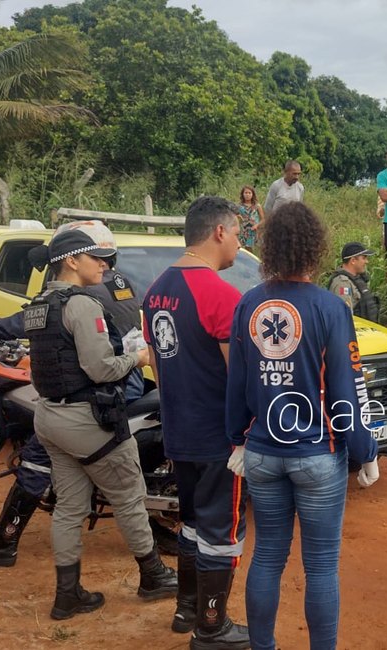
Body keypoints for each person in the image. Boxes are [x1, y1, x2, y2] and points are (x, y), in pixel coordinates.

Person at [226, 202, 380, 650]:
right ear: (315, 248)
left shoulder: (248, 304)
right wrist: (365, 450)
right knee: (321, 566)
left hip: (261, 452)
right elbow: (345, 390)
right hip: (317, 454)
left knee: (268, 556)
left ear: (270, 247)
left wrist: (237, 438)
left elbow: (237, 381)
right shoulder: (332, 308)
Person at [0, 222, 147, 569]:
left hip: (93, 396)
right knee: (73, 492)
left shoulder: (73, 299)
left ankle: (5, 544)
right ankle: (69, 583)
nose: (104, 263)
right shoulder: (120, 283)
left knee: (35, 463)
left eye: (103, 257)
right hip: (127, 383)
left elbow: (23, 324)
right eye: (99, 256)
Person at [23, 226, 177, 621]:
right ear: (72, 261)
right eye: (97, 259)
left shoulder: (39, 303)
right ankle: (153, 575)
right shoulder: (82, 304)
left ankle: (67, 594)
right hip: (87, 419)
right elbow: (101, 367)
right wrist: (139, 359)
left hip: (50, 417)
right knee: (128, 493)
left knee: (71, 507)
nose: (105, 266)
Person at [142, 196, 250, 648]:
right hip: (218, 440)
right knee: (222, 534)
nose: (240, 246)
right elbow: (238, 377)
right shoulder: (222, 295)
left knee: (190, 524)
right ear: (219, 232)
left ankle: (187, 608)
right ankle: (211, 627)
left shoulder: (156, 290)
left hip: (178, 431)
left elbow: (153, 360)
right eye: (239, 235)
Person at [327, 242, 380, 323]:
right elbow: (343, 318)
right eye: (364, 258)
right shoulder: (342, 283)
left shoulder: (357, 279)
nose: (366, 262)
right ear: (353, 261)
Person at [237, 186, 264, 251]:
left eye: (249, 193)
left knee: (256, 249)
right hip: (244, 231)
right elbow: (234, 214)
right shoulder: (239, 206)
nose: (247, 195)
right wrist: (238, 216)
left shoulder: (257, 206)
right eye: (246, 193)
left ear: (253, 194)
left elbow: (263, 219)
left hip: (254, 230)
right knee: (247, 249)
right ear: (243, 194)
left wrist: (257, 225)